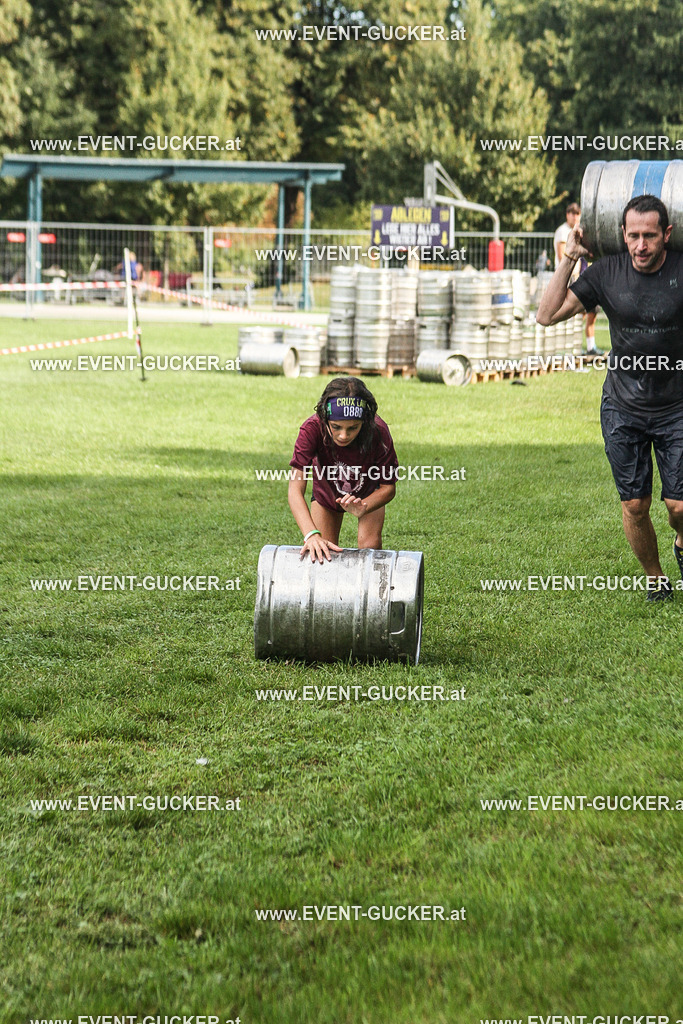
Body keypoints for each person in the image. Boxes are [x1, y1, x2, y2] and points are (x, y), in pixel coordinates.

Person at [537, 193, 683, 601]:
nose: (641, 245)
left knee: (679, 507)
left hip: (676, 407)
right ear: (621, 234)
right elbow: (546, 314)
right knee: (635, 505)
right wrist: (570, 257)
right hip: (622, 407)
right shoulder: (606, 272)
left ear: (666, 234)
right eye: (633, 235)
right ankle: (656, 579)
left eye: (650, 236)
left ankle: (681, 543)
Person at [288, 377, 399, 563]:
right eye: (336, 427)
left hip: (367, 493)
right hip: (327, 492)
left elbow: (388, 488)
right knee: (324, 555)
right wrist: (311, 535)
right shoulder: (312, 429)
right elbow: (294, 489)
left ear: (365, 420)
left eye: (353, 428)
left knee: (369, 549)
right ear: (325, 417)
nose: (343, 435)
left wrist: (364, 506)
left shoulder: (378, 431)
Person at [555, 202, 602, 355]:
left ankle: (590, 346)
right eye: (572, 213)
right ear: (567, 214)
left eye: (577, 214)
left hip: (581, 276)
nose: (575, 216)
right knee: (572, 314)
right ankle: (570, 347)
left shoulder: (579, 231)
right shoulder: (563, 232)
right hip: (569, 278)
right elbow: (563, 257)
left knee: (591, 311)